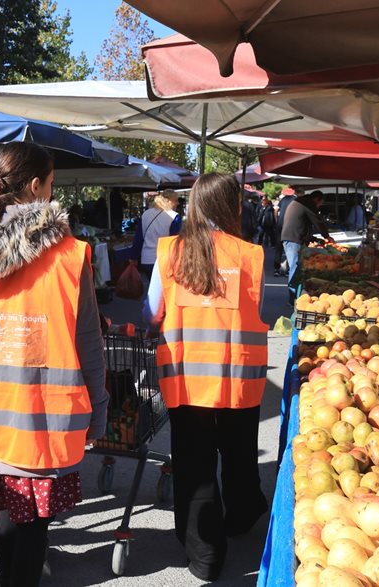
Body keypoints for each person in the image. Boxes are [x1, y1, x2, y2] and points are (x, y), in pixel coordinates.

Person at [0, 142, 108, 587]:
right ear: (36, 186)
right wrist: (100, 409)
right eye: (51, 184)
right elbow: (88, 341)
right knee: (32, 523)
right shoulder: (69, 256)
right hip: (43, 415)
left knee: (14, 515)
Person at [144, 172, 269, 582]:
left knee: (195, 465)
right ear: (233, 206)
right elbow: (258, 309)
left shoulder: (169, 252)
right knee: (237, 454)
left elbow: (152, 312)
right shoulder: (249, 255)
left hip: (185, 377)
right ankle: (241, 515)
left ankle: (205, 553)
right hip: (239, 377)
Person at [280, 192, 334, 303]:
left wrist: (315, 239)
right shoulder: (308, 203)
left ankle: (295, 296)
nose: (319, 207)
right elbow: (318, 221)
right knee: (295, 269)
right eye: (320, 204)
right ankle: (293, 299)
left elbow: (302, 225)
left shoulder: (301, 202)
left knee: (297, 268)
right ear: (317, 199)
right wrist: (327, 236)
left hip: (291, 238)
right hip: (293, 239)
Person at [132, 189, 181, 277]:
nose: (178, 203)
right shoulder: (174, 216)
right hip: (164, 260)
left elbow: (139, 238)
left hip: (146, 259)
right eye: (176, 200)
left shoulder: (145, 214)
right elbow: (175, 241)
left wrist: (133, 257)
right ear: (169, 201)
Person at [273, 186, 297, 276]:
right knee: (288, 248)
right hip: (290, 226)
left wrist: (277, 220)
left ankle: (276, 269)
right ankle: (287, 270)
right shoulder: (295, 200)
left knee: (278, 247)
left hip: (280, 225)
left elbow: (275, 210)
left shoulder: (282, 200)